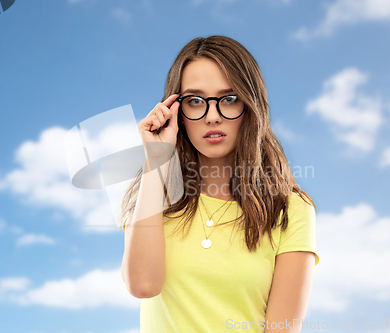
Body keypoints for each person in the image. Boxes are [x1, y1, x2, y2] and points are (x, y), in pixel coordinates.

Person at [119, 35, 319, 333]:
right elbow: (143, 285)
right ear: (177, 111)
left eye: (229, 99)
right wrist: (157, 159)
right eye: (195, 101)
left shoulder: (290, 210)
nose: (212, 116)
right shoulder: (151, 195)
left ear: (251, 107)